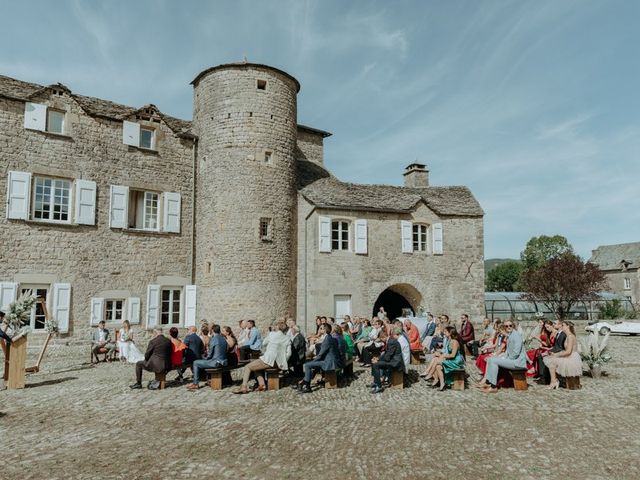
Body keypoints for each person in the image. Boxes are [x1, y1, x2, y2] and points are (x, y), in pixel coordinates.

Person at [234, 321, 291, 394]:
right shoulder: (287, 338)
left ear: (277, 327)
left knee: (248, 367)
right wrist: (283, 362)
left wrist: (270, 334)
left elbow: (264, 343)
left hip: (269, 360)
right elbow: (289, 353)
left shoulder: (272, 334)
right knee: (256, 367)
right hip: (279, 363)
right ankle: (262, 384)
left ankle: (244, 386)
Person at [479, 320, 527, 393]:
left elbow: (515, 353)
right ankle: (488, 382)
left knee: (493, 361)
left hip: (517, 362)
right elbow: (508, 351)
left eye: (510, 325)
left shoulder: (516, 335)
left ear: (513, 326)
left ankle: (493, 386)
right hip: (511, 359)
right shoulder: (510, 335)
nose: (508, 327)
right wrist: (502, 357)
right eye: (506, 326)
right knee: (490, 359)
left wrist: (505, 359)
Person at [296, 324, 340, 393]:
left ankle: (306, 384)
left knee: (308, 365)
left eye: (321, 328)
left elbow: (320, 355)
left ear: (324, 330)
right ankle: (304, 383)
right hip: (332, 361)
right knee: (310, 365)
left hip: (329, 363)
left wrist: (313, 361)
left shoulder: (327, 339)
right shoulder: (330, 338)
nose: (319, 329)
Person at [543, 321, 582, 390]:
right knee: (551, 358)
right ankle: (554, 381)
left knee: (551, 361)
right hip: (569, 355)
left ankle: (554, 381)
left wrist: (556, 354)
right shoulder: (568, 336)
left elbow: (568, 352)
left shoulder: (570, 336)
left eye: (563, 325)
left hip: (571, 357)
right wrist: (555, 354)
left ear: (568, 326)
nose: (561, 326)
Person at [188, 324, 228, 391]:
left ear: (212, 330)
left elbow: (210, 354)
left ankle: (195, 384)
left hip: (216, 362)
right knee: (202, 361)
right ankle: (208, 380)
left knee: (195, 362)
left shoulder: (213, 339)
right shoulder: (223, 339)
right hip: (224, 361)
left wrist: (205, 358)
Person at [370, 326, 403, 394]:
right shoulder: (390, 340)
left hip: (395, 363)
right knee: (374, 363)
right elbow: (387, 354)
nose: (381, 341)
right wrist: (377, 358)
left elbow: (388, 356)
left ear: (384, 337)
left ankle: (378, 386)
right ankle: (376, 382)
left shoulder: (392, 342)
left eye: (381, 339)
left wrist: (378, 360)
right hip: (392, 360)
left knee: (376, 364)